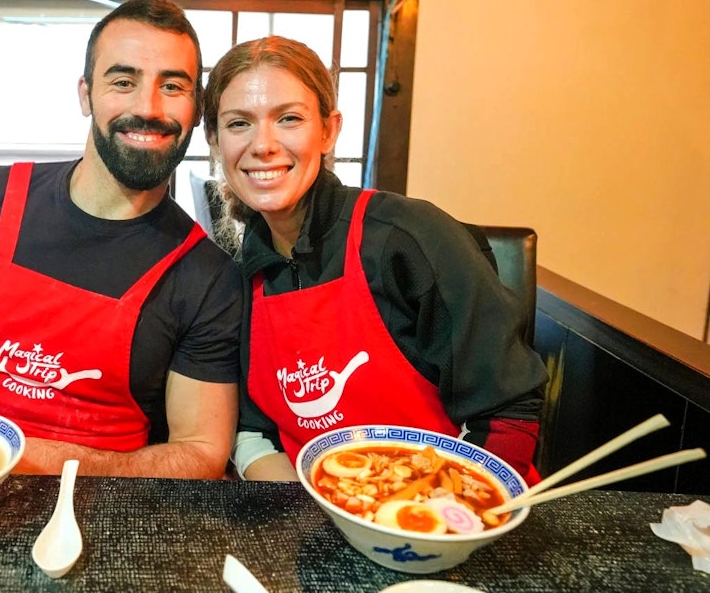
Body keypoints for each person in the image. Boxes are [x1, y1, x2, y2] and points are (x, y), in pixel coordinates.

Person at [0, 0, 242, 479]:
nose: (148, 107)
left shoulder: (206, 277)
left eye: (173, 86)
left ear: (197, 107)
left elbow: (200, 452)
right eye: (123, 82)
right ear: (85, 94)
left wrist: (11, 457)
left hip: (95, 508)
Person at [203, 36, 547, 484]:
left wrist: (428, 512)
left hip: (455, 504)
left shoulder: (407, 238)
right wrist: (321, 510)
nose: (263, 145)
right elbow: (255, 431)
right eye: (238, 123)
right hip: (318, 508)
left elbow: (508, 411)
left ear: (328, 130)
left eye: (289, 118)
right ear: (215, 140)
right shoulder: (239, 276)